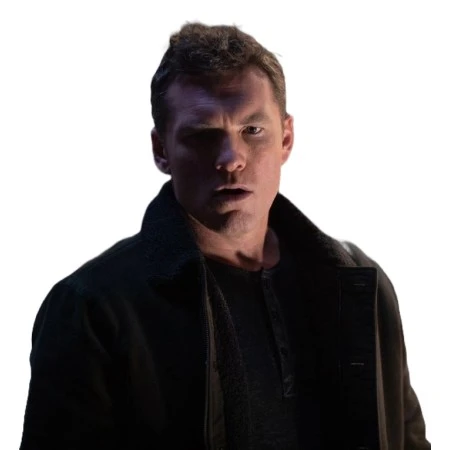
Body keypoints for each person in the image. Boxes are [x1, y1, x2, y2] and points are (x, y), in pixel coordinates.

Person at [20, 22, 430, 450]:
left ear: (286, 138)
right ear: (161, 150)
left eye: (252, 130)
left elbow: (408, 439)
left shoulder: (357, 282)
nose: (232, 158)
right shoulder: (92, 308)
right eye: (203, 135)